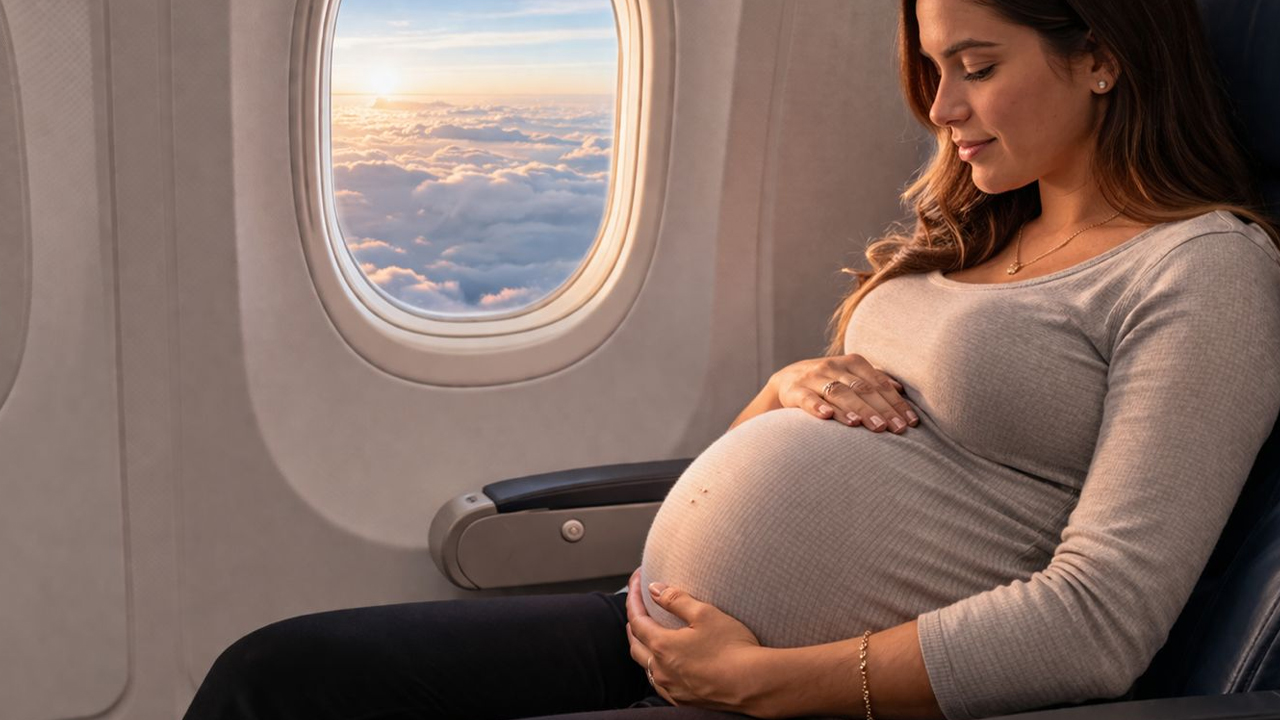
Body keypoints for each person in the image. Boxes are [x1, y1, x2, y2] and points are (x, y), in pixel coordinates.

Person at [183, 1, 1280, 719]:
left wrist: (771, 683)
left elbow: (1100, 624)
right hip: (667, 639)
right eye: (932, 69)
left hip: (806, 695)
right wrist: (780, 392)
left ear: (1099, 57)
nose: (939, 111)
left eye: (974, 68)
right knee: (274, 683)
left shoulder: (1201, 270)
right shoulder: (984, 228)